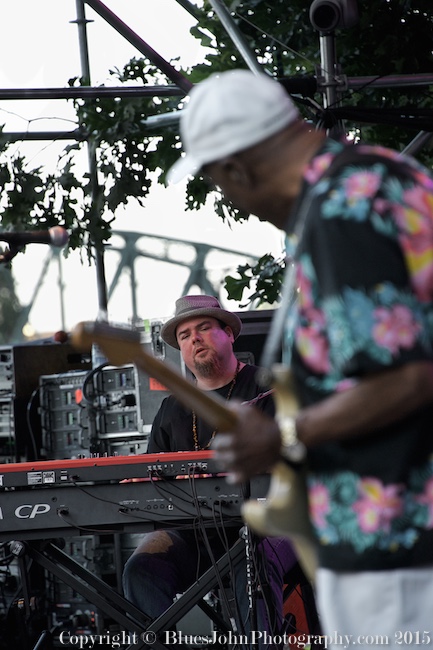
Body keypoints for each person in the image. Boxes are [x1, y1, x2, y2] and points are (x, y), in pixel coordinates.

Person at [166, 69, 433, 647]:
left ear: (236, 169)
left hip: (394, 536)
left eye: (221, 184)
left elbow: (407, 379)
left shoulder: (337, 212)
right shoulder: (388, 174)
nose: (234, 200)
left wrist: (284, 435)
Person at [122, 294, 298, 646]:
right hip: (195, 534)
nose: (194, 339)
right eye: (185, 336)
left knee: (252, 557)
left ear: (230, 334)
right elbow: (149, 478)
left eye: (203, 328)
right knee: (140, 569)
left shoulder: (270, 390)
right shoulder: (171, 408)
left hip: (271, 526)